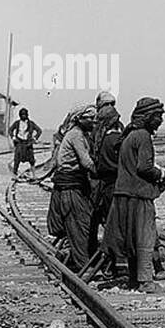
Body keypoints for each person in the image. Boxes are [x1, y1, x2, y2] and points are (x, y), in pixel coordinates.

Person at [104, 97, 165, 292]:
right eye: (158, 116)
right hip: (139, 195)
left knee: (131, 238)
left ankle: (134, 280)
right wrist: (164, 174)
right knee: (145, 237)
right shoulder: (143, 136)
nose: (161, 120)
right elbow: (144, 168)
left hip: (124, 194)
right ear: (148, 117)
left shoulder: (130, 135)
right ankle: (145, 280)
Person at [45, 104, 98, 269]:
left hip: (70, 184)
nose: (93, 121)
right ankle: (83, 265)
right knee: (79, 226)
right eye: (89, 118)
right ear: (79, 119)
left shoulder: (79, 134)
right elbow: (86, 161)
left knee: (79, 226)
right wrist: (103, 171)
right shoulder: (75, 135)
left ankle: (80, 261)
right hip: (71, 186)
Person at [88, 102, 124, 260]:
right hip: (117, 185)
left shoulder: (101, 139)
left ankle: (103, 257)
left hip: (104, 186)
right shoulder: (117, 140)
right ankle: (117, 261)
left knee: (106, 223)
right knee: (117, 225)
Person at [8, 108, 42, 179]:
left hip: (28, 144)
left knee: (31, 160)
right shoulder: (17, 123)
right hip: (19, 143)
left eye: (24, 114)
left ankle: (34, 175)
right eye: (22, 114)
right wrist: (13, 137)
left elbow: (39, 131)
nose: (23, 116)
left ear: (27, 115)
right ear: (20, 115)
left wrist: (34, 138)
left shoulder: (31, 124)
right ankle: (14, 175)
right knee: (17, 159)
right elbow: (10, 130)